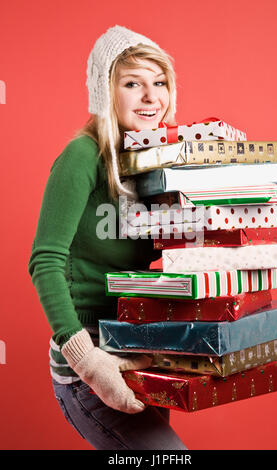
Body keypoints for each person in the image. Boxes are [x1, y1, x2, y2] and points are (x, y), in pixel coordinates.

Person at [28, 25, 188, 450]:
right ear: (104, 91)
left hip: (140, 350)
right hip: (93, 361)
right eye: (132, 83)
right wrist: (88, 362)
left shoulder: (151, 163)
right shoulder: (82, 157)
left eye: (159, 83)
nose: (151, 97)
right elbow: (44, 261)